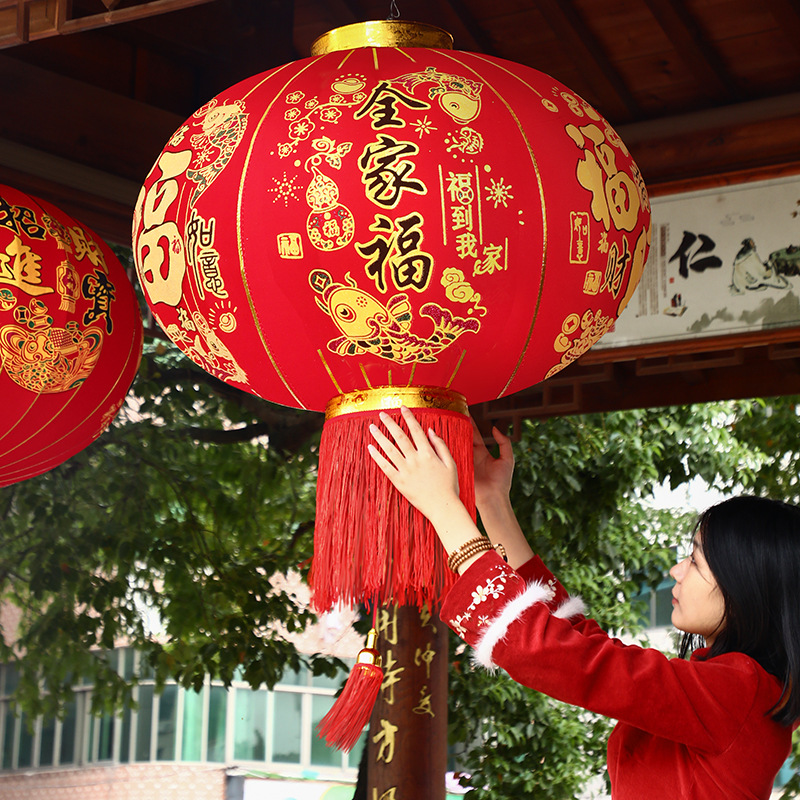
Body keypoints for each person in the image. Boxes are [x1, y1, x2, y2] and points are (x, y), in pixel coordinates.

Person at [367, 406, 800, 799]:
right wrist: (491, 501)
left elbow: (567, 657)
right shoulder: (735, 688)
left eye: (696, 561)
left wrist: (444, 507)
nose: (676, 571)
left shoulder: (738, 691)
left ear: (747, 589)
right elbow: (578, 642)